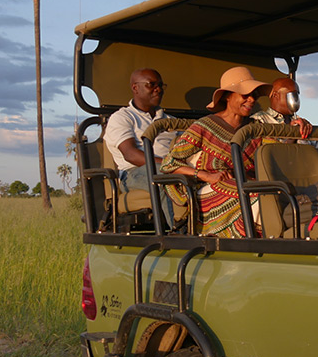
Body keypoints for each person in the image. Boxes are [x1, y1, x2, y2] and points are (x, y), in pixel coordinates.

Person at [161, 66, 272, 238]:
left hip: (245, 184)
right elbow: (170, 164)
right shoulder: (204, 126)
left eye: (254, 95)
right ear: (228, 96)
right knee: (257, 195)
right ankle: (248, 242)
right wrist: (206, 175)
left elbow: (276, 148)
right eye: (245, 95)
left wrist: (295, 126)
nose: (251, 100)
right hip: (208, 187)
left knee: (275, 191)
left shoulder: (255, 128)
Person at [104, 68, 175, 224]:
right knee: (163, 179)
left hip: (170, 166)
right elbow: (131, 155)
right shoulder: (123, 118)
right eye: (152, 84)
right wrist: (171, 166)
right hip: (134, 173)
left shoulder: (169, 120)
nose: (159, 89)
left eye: (161, 85)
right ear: (135, 88)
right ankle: (178, 231)